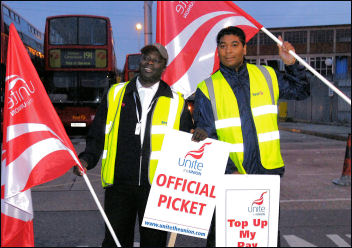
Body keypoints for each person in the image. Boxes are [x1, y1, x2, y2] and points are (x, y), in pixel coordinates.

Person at [73, 43, 206, 247]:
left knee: (154, 243)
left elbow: (186, 141)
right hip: (119, 185)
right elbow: (98, 132)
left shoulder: (176, 101)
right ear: (140, 62)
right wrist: (87, 158)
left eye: (156, 59)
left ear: (164, 67)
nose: (149, 62)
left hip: (157, 189)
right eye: (146, 57)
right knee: (115, 242)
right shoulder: (115, 93)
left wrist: (197, 136)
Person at [193, 26, 310, 246]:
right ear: (217, 50)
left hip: (265, 173)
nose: (228, 51)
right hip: (229, 178)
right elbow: (206, 138)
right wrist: (230, 170)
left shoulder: (267, 75)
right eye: (223, 46)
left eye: (234, 45)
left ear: (245, 48)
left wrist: (291, 63)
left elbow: (301, 91)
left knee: (263, 238)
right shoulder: (207, 88)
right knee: (223, 237)